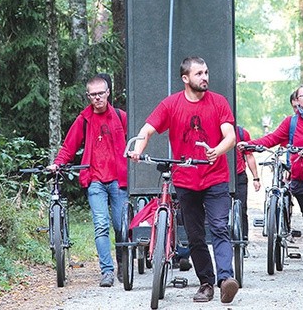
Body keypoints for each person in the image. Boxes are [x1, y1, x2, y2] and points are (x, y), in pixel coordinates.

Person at [127, 56, 240, 304]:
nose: (205, 77)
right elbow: (147, 129)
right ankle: (206, 283)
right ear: (185, 78)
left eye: (206, 72)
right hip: (186, 180)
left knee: (219, 227)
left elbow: (230, 136)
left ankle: (225, 280)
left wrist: (216, 150)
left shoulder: (219, 102)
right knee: (195, 234)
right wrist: (137, 148)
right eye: (199, 73)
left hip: (215, 177)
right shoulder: (171, 104)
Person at [238, 85, 303, 271]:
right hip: (299, 178)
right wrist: (249, 145)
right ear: (296, 101)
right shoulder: (291, 122)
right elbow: (272, 138)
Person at [48, 75, 128, 287]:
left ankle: (123, 264)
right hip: (95, 181)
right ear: (88, 96)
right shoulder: (83, 120)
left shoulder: (121, 116)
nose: (97, 98)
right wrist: (57, 164)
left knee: (122, 226)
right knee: (101, 225)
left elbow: (137, 142)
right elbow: (68, 147)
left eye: (101, 93)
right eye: (93, 95)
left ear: (108, 92)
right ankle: (107, 271)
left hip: (120, 181)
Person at [235, 125, 261, 244]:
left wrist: (256, 178)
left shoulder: (241, 133)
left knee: (241, 207)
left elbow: (249, 156)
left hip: (239, 174)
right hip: (218, 176)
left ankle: (243, 239)